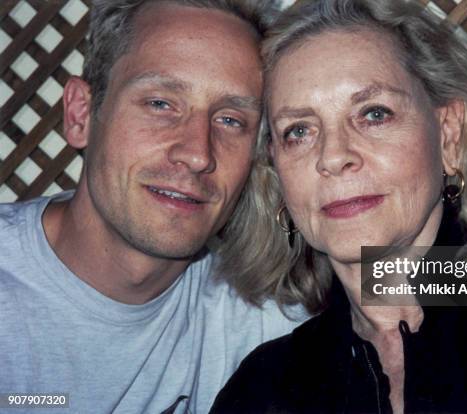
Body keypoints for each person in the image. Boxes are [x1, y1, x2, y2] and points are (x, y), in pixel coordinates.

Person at [211, 0, 467, 412]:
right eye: (298, 131)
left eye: (374, 113)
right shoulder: (262, 390)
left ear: (449, 136)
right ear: (277, 176)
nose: (333, 156)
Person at [0, 1, 306, 412]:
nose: (198, 154)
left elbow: (410, 285)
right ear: (81, 115)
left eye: (230, 120)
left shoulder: (260, 313)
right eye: (161, 103)